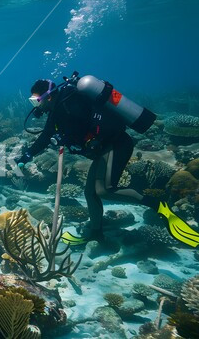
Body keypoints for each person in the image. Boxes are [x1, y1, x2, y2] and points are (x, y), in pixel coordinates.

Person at [16, 78, 199, 247]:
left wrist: (74, 137)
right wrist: (27, 155)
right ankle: (96, 234)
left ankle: (159, 205)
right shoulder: (58, 111)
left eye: (37, 101)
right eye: (33, 102)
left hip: (116, 144)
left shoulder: (72, 102)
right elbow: (46, 136)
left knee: (105, 189)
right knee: (90, 192)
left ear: (48, 97)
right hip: (103, 150)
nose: (36, 106)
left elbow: (95, 125)